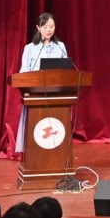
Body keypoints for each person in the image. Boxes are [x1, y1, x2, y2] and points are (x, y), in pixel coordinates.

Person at [16, 13, 68, 154]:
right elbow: (24, 71)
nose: (49, 30)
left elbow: (66, 71)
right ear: (38, 28)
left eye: (51, 26)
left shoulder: (60, 46)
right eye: (45, 27)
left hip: (56, 95)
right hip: (36, 94)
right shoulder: (29, 48)